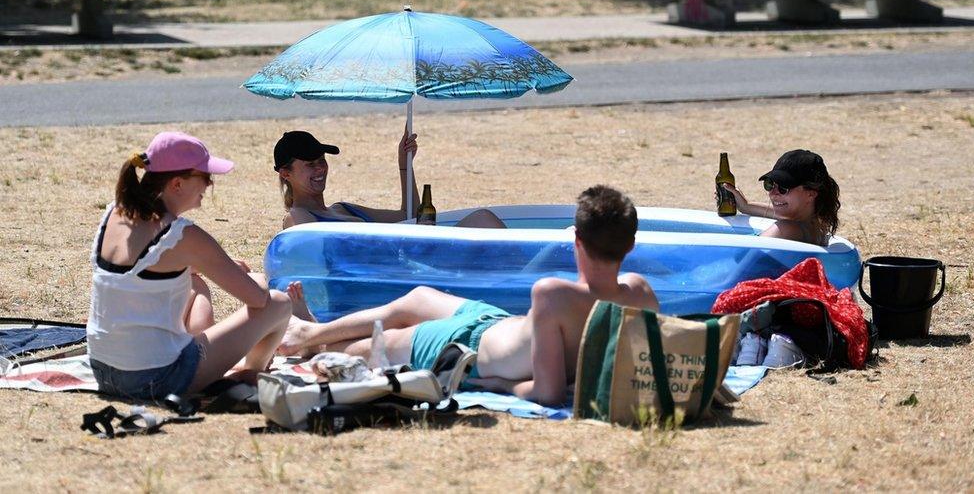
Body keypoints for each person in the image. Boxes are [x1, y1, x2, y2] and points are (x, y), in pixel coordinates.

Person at [277, 185, 659, 406]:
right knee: (417, 298)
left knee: (383, 344)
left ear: (577, 241)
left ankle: (310, 347)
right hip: (493, 322)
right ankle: (311, 333)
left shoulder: (554, 294)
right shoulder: (640, 292)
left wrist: (495, 385)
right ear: (630, 244)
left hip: (468, 351)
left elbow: (548, 392)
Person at [87, 131, 294, 402]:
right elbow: (257, 300)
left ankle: (227, 370)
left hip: (103, 371)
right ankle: (251, 373)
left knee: (195, 284)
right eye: (205, 178)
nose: (209, 185)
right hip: (154, 378)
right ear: (176, 184)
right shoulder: (182, 235)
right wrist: (253, 278)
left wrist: (202, 268)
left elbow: (141, 272)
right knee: (278, 302)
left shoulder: (115, 212)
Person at [274, 128, 505, 229]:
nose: (320, 169)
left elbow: (411, 217)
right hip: (397, 273)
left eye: (321, 161)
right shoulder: (298, 217)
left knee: (483, 219)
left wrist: (404, 164)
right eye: (309, 164)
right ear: (286, 173)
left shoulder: (344, 209)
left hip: (410, 257)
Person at [721, 149, 840, 246]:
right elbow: (776, 212)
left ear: (811, 193)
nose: (773, 193)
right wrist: (745, 206)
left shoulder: (785, 230)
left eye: (784, 187)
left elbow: (740, 262)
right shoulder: (816, 224)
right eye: (770, 184)